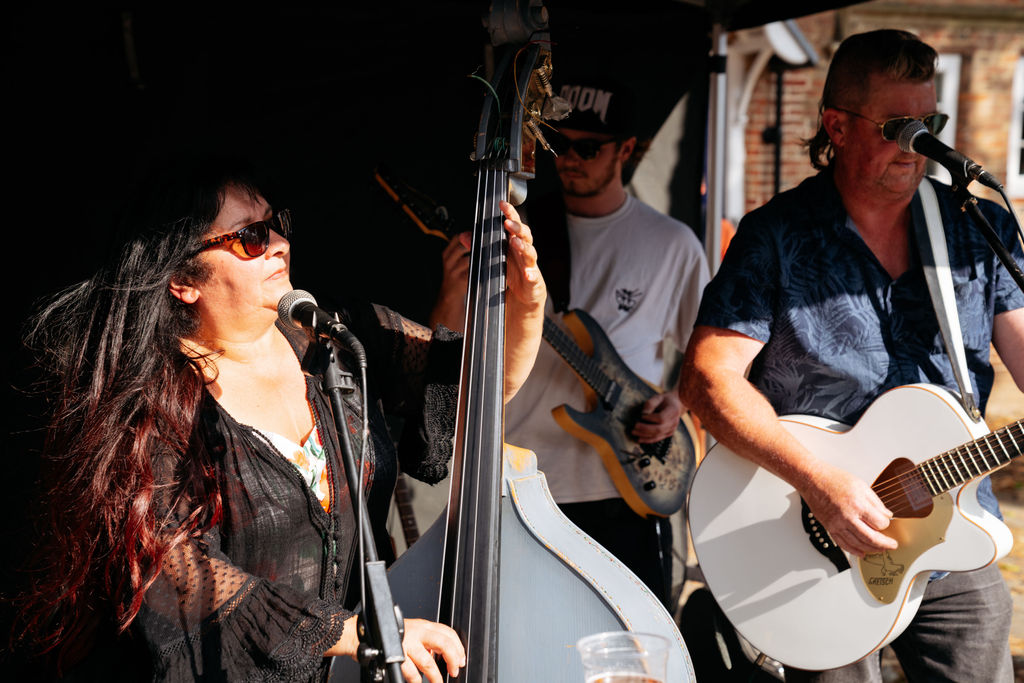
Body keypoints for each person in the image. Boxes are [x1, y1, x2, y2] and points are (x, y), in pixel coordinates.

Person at [14, 157, 546, 682]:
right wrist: (353, 633)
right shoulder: (152, 403)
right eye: (250, 237)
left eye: (276, 226)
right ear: (183, 280)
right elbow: (178, 569)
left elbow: (479, 386)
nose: (279, 245)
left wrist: (526, 307)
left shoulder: (335, 339)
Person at [681, 29, 1024, 682]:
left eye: (932, 122)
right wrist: (821, 483)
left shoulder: (978, 230)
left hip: (958, 532)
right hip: (813, 544)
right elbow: (706, 380)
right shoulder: (775, 237)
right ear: (836, 126)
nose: (919, 142)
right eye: (900, 125)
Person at [432, 78, 709, 606]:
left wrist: (678, 401)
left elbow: (708, 353)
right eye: (562, 144)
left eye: (590, 148)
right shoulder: (513, 232)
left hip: (624, 489)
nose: (572, 159)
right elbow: (447, 350)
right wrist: (450, 291)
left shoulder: (672, 244)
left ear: (627, 150)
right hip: (520, 483)